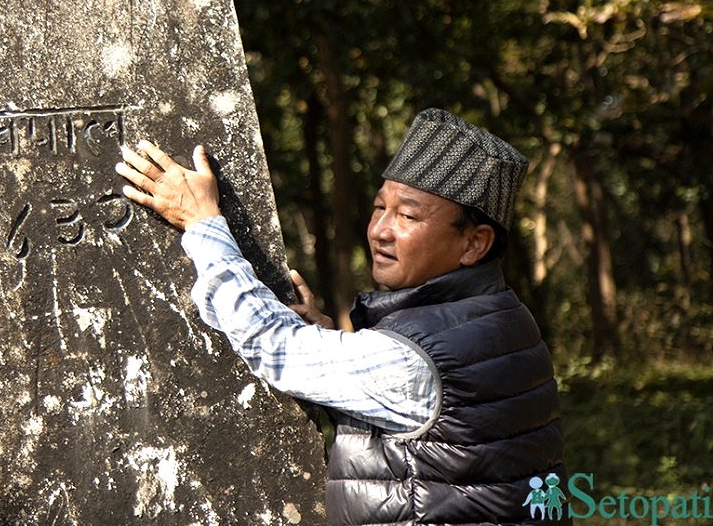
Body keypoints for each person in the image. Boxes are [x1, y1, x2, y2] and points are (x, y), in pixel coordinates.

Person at [115, 108, 568, 526]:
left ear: (475, 243)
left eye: (408, 215)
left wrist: (202, 223)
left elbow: (275, 346)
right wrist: (333, 340)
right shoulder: (505, 317)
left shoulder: (421, 356)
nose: (379, 231)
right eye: (378, 207)